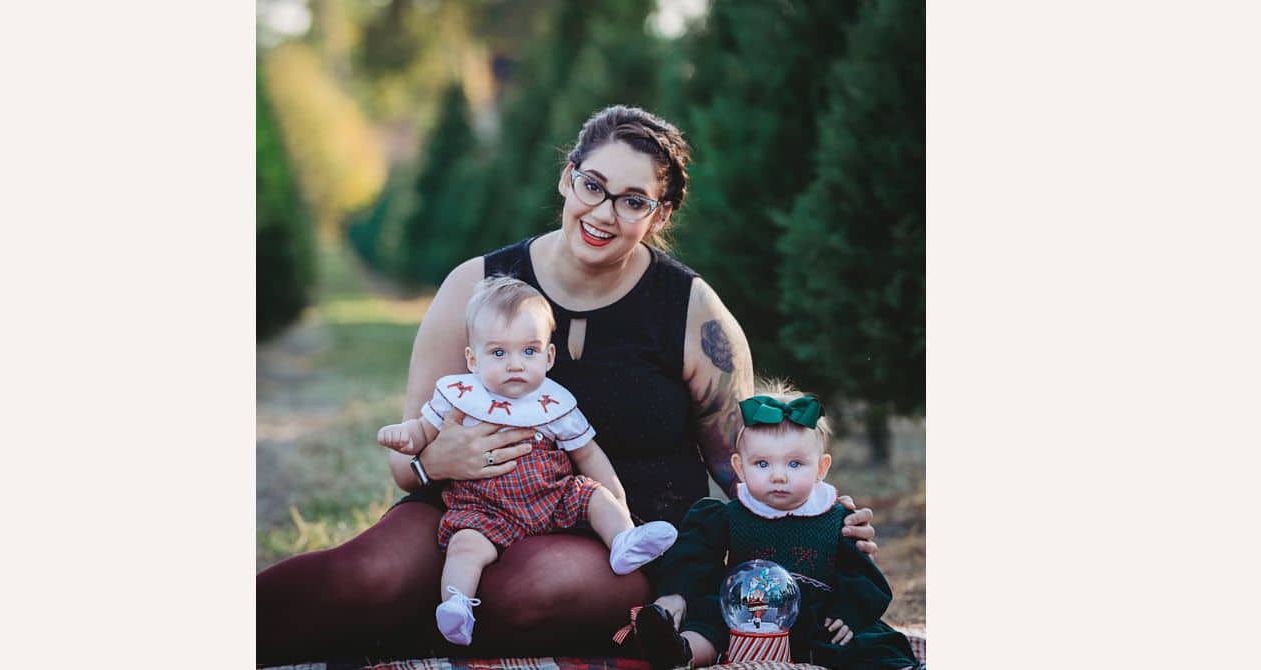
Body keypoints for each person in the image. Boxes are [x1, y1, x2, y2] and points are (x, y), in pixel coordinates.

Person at [256, 105, 879, 665]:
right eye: (593, 186)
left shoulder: (692, 310)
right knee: (365, 575)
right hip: (466, 509)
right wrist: (429, 463)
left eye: (633, 201)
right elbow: (406, 462)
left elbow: (742, 458)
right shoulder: (474, 286)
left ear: (659, 213)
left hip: (616, 531)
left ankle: (409, 625)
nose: (604, 213)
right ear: (567, 177)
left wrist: (818, 518)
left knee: (524, 591)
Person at [377, 276, 678, 646]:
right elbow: (425, 430)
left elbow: (589, 455)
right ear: (473, 359)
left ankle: (623, 542)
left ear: (549, 356)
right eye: (499, 353)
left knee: (593, 495)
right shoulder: (461, 396)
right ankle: (456, 605)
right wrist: (407, 435)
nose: (515, 365)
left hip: (552, 498)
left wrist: (619, 507)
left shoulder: (554, 404)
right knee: (464, 545)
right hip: (484, 509)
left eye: (529, 351)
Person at [632, 382, 920, 670]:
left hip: (819, 617)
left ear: (821, 468)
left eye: (795, 464)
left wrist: (848, 613)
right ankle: (680, 651)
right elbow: (692, 557)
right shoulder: (727, 516)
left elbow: (860, 574)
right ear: (739, 467)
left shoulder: (836, 517)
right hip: (747, 615)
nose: (778, 476)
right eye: (762, 464)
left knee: (864, 640)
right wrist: (680, 591)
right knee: (710, 616)